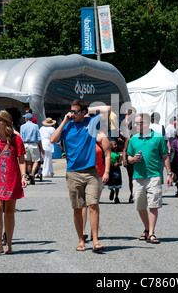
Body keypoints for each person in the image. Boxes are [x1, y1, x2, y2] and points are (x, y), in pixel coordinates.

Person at [50, 100, 109, 252]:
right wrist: (64, 121)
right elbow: (53, 140)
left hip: (91, 172)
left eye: (75, 111)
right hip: (73, 172)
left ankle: (95, 240)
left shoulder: (91, 122)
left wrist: (87, 109)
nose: (72, 113)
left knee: (93, 205)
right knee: (77, 208)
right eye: (71, 111)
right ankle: (81, 240)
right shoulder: (67, 125)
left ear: (83, 112)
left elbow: (107, 109)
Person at [0, 110, 27, 255]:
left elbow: (21, 159)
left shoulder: (16, 139)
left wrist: (23, 176)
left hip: (11, 178)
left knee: (9, 212)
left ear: (6, 122)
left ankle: (9, 244)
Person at [127, 113, 173, 244]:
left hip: (154, 176)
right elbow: (128, 158)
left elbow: (165, 157)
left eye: (137, 123)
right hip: (138, 177)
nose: (135, 125)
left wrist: (169, 174)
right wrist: (133, 159)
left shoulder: (158, 138)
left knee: (153, 205)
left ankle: (151, 233)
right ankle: (146, 228)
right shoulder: (133, 139)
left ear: (145, 123)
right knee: (140, 206)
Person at [82, 129, 110, 241]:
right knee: (83, 203)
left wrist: (107, 172)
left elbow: (108, 155)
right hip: (83, 173)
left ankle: (94, 232)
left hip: (98, 173)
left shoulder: (101, 136)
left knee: (93, 204)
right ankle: (83, 231)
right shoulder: (81, 134)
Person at [20, 113, 43, 184]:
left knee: (28, 161)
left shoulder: (22, 126)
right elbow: (39, 138)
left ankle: (29, 176)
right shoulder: (35, 126)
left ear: (26, 119)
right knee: (36, 161)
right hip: (34, 144)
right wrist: (41, 147)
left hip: (25, 144)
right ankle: (32, 173)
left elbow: (21, 137)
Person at [108, 139, 123, 203]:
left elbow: (120, 163)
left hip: (116, 170)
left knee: (117, 183)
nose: (116, 146)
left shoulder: (117, 154)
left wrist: (118, 163)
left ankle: (116, 197)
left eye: (116, 144)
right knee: (110, 182)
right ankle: (111, 191)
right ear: (110, 146)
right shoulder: (108, 153)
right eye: (115, 144)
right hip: (110, 169)